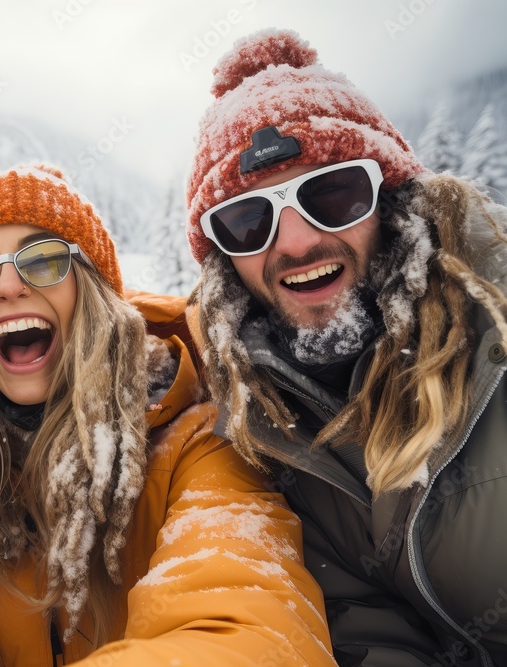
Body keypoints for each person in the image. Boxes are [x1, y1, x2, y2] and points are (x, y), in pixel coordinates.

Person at [0, 164, 335, 665]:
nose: (8, 288)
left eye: (44, 261)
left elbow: (250, 626)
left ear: (90, 293)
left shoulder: (195, 445)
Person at [185, 29, 507, 665]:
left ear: (390, 202)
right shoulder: (263, 421)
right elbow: (361, 621)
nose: (297, 242)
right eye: (249, 220)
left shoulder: (492, 332)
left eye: (332, 194)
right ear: (227, 258)